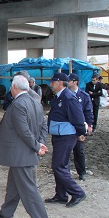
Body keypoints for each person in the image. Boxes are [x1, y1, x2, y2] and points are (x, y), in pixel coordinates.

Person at [0, 75, 49, 218]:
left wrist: (37, 146)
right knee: (14, 185)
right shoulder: (35, 102)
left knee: (28, 189)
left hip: (21, 154)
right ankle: (7, 212)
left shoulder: (19, 104)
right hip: (24, 153)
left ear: (14, 87)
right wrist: (40, 142)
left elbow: (23, 131)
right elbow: (43, 125)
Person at [45, 72, 87, 208]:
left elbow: (78, 118)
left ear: (60, 83)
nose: (51, 84)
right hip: (59, 136)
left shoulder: (68, 98)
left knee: (58, 166)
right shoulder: (59, 97)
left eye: (53, 82)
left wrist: (81, 132)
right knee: (62, 166)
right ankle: (61, 195)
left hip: (66, 137)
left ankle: (77, 192)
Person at [68, 73, 93, 181]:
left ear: (75, 82)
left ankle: (81, 172)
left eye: (69, 80)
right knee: (66, 150)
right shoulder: (65, 95)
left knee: (79, 150)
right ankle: (65, 172)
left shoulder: (84, 96)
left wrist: (89, 125)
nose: (67, 82)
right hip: (68, 127)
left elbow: (88, 112)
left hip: (79, 127)